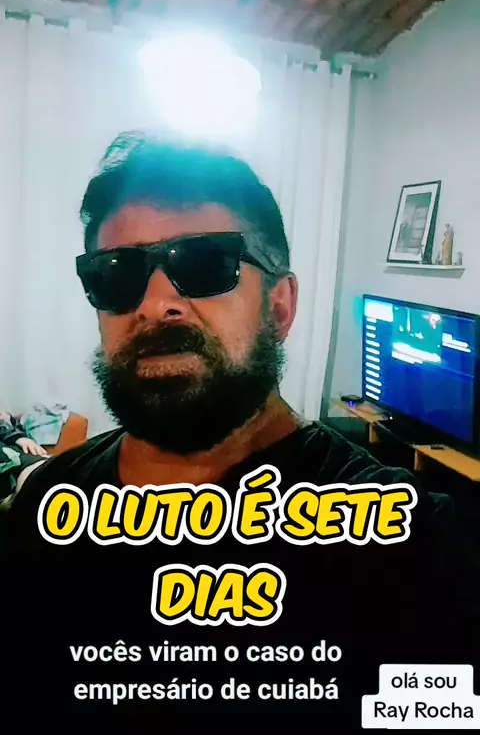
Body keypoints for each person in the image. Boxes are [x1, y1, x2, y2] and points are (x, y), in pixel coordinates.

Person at [3, 132, 479, 730]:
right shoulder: (44, 509)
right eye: (117, 274)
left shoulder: (411, 547)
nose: (155, 304)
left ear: (280, 307)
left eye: (204, 265)